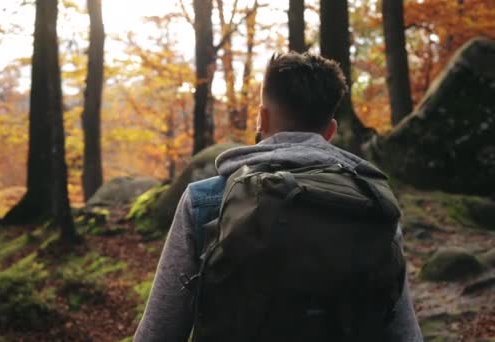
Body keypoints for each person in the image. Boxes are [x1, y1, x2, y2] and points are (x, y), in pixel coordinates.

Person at [134, 52, 422, 342]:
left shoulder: (207, 199)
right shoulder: (372, 203)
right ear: (331, 131)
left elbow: (159, 330)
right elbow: (403, 333)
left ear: (262, 118)